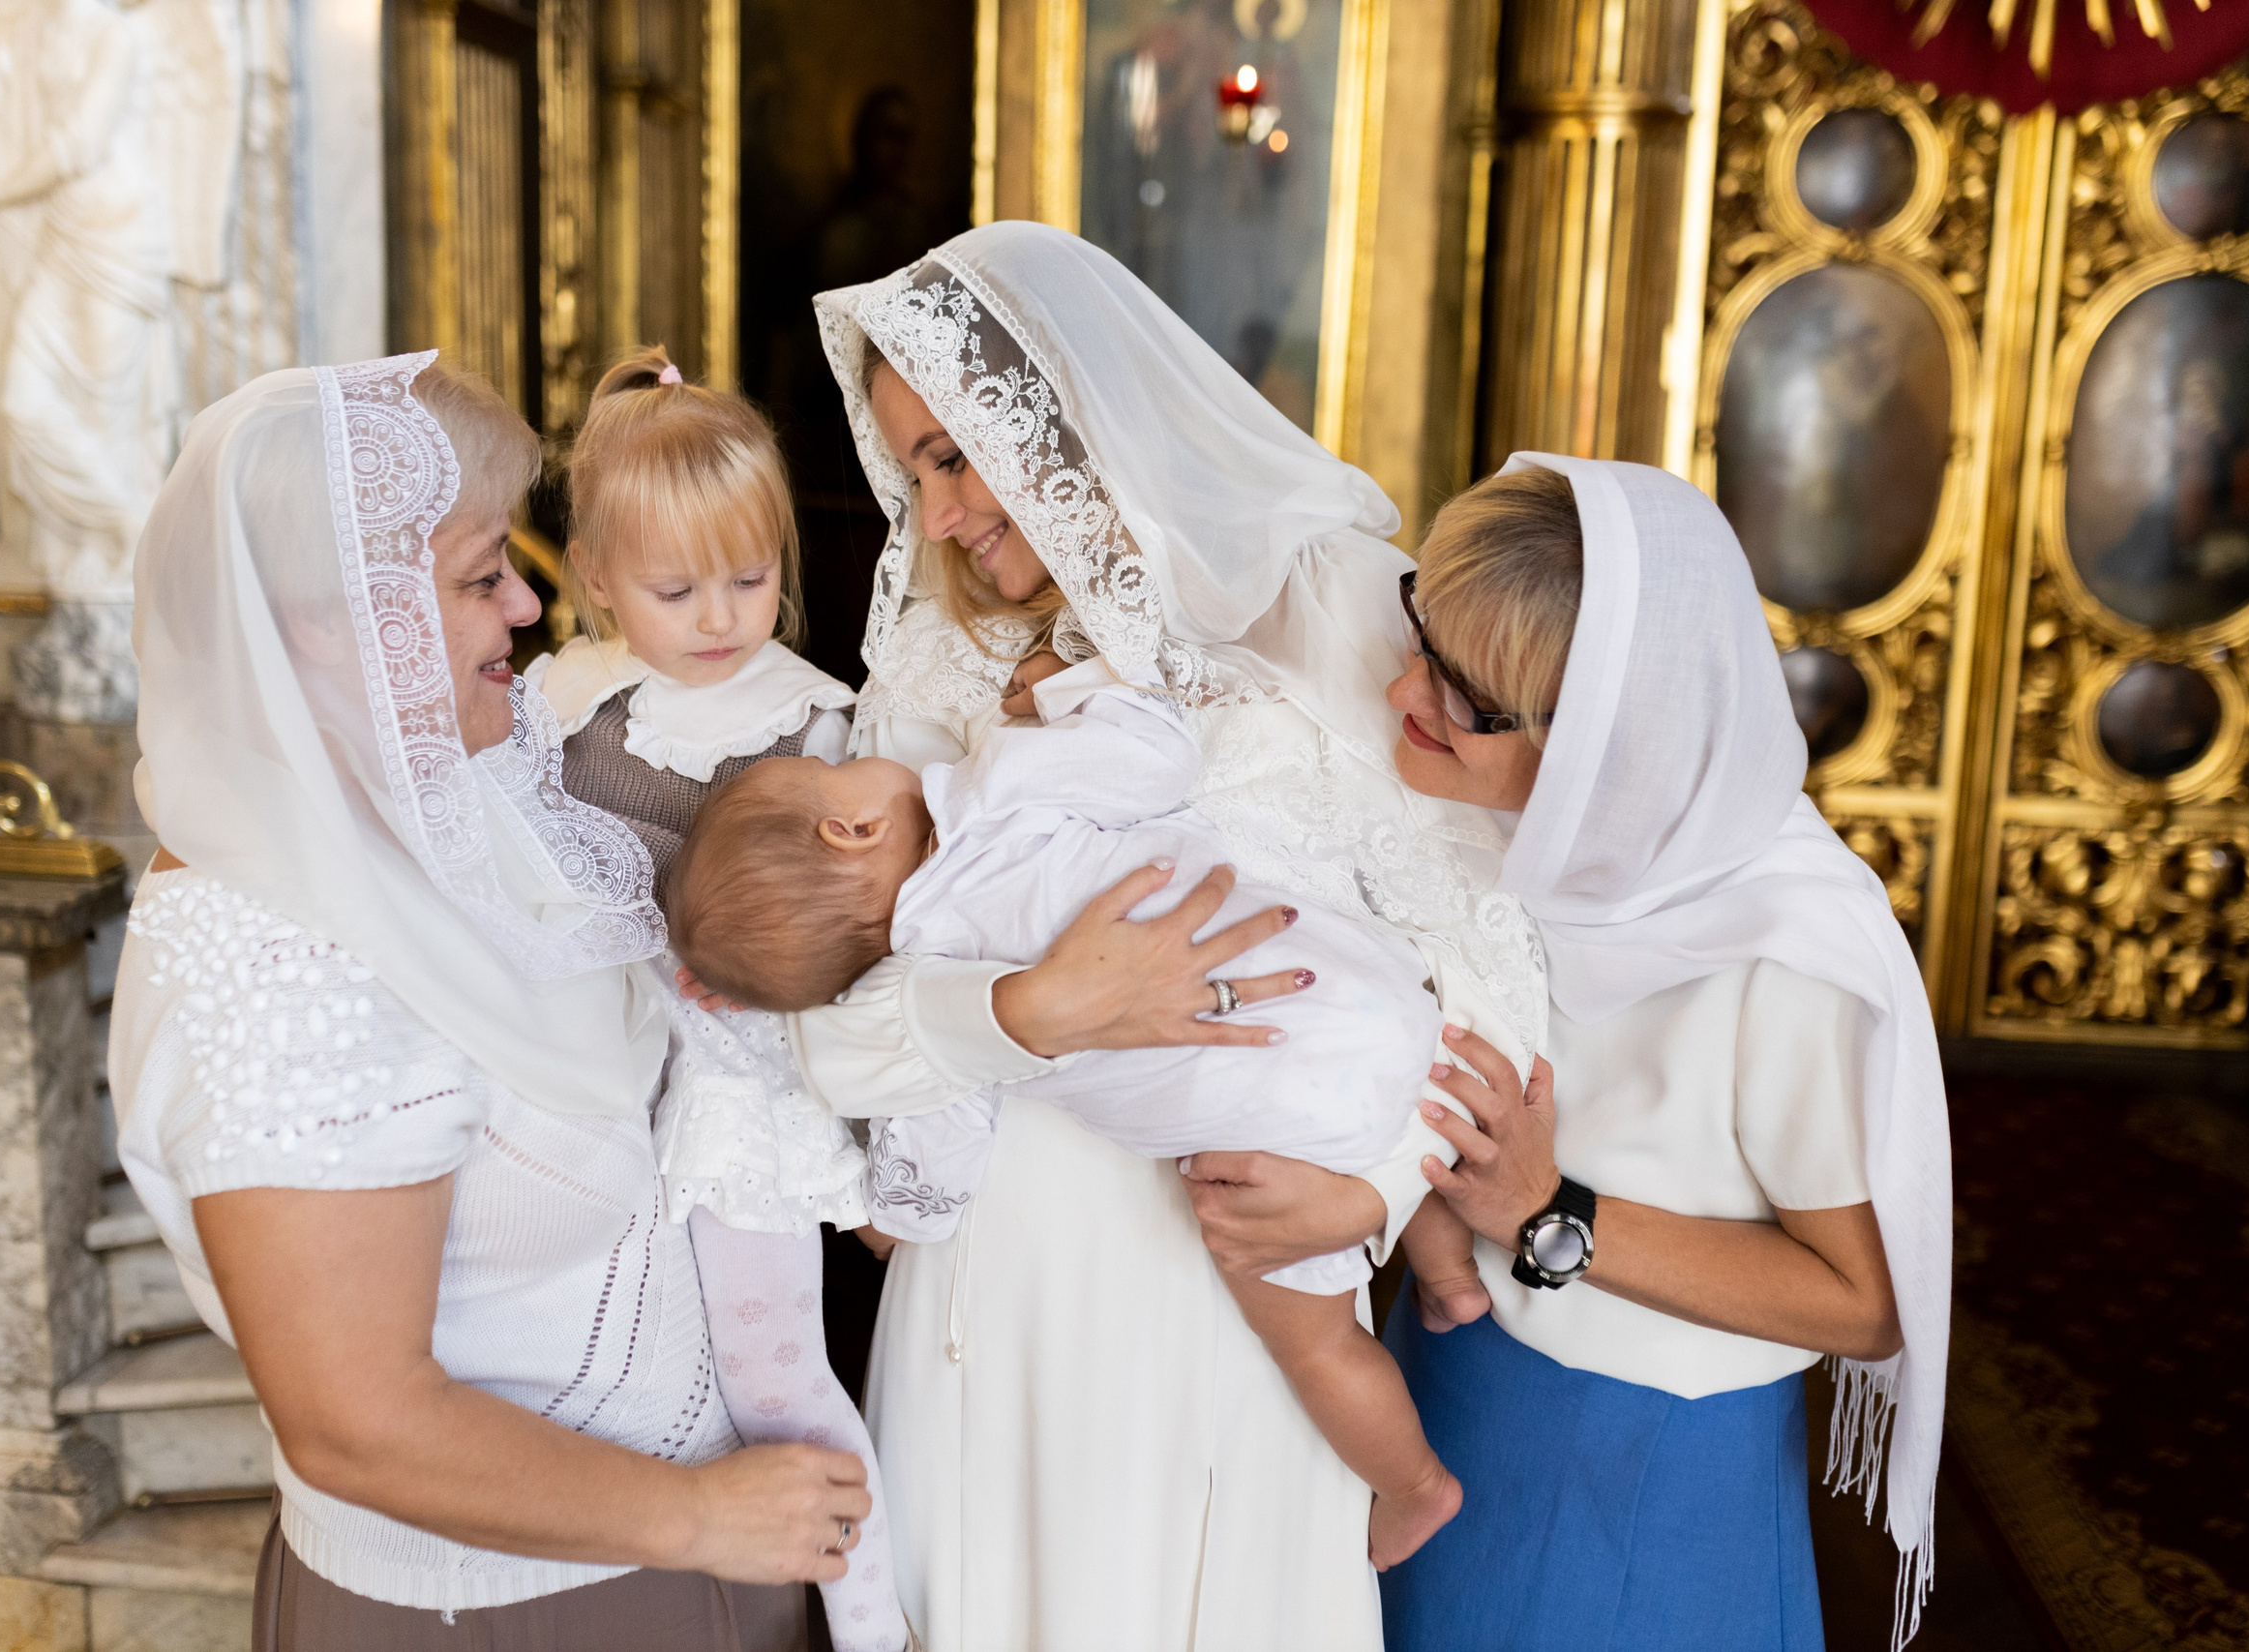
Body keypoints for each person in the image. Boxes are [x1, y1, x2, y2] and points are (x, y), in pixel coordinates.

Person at [763, 221, 1550, 1649]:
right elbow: (818, 1028)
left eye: (953, 455)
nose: (932, 514)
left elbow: (1492, 969)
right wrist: (1029, 1009)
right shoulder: (937, 661)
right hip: (994, 1284)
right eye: (911, 466)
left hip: (1234, 1275)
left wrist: (1373, 1192)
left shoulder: (1327, 609)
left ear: (1063, 409)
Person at [109, 351, 873, 1650]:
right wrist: (696, 1520)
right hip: (514, 1610)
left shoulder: (484, 797)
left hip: (712, 1546)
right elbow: (356, 1413)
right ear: (328, 617)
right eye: (477, 579)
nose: (526, 604)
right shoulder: (265, 949)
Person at [1197, 457, 1952, 1652]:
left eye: (1462, 695)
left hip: (1637, 1463)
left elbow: (1866, 1309)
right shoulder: (1494, 820)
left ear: (1608, 740)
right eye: (1421, 642)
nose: (1404, 691)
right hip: (1442, 1372)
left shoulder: (1785, 954)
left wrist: (1551, 1210)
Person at [668, 658, 1490, 1566]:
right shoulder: (997, 788)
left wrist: (887, 1212)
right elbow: (1157, 753)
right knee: (1398, 1083)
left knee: (1319, 1347)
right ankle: (1445, 1262)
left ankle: (1416, 1484)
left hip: (1281, 1129)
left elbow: (930, 1192)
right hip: (1358, 985)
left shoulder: (929, 995)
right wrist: (1063, 694)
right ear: (851, 824)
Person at [525, 345, 900, 1652]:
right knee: (623, 1363)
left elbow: (871, 931)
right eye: (676, 588)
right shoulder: (555, 705)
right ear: (595, 579)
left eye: (752, 577)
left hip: (743, 1087)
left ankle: (870, 1612)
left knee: (776, 1367)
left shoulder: (818, 722)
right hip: (588, 1080)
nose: (722, 615)